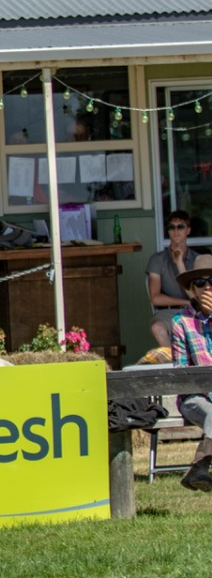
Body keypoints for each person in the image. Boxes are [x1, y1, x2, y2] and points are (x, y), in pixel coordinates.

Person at [169, 253, 212, 491]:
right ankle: (198, 469)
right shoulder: (180, 322)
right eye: (201, 283)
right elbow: (182, 373)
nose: (207, 287)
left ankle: (198, 467)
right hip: (195, 397)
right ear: (193, 290)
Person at [148, 210, 200, 347]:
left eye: (180, 227)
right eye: (172, 227)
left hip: (196, 311)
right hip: (168, 312)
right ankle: (173, 365)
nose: (176, 231)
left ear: (188, 230)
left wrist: (180, 264)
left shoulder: (197, 259)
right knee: (157, 327)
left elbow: (199, 297)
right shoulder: (157, 259)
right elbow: (155, 298)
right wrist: (186, 302)